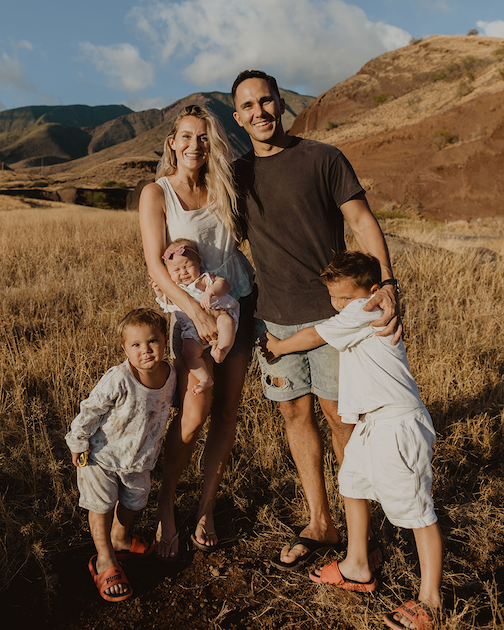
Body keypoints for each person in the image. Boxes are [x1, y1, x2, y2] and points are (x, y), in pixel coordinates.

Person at [232, 69, 401, 570]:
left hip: (335, 320)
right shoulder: (238, 175)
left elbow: (362, 221)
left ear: (281, 104)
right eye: (248, 106)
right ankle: (320, 521)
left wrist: (386, 283)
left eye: (266, 101)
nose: (259, 112)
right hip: (274, 323)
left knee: (340, 420)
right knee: (294, 416)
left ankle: (357, 535)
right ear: (237, 117)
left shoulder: (323, 158)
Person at [265, 251, 443, 630]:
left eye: (346, 297)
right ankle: (357, 565)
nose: (340, 306)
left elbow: (314, 334)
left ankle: (431, 601)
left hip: (397, 424)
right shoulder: (358, 308)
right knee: (351, 484)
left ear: (373, 291)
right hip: (369, 424)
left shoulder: (367, 308)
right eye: (335, 298)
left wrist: (278, 347)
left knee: (418, 513)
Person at [139, 105, 255, 559]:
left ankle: (206, 509)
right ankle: (165, 505)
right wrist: (195, 311)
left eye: (203, 138)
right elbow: (154, 263)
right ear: (172, 141)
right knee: (193, 414)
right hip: (189, 313)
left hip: (235, 302)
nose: (194, 146)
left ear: (213, 145)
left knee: (227, 412)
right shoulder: (157, 192)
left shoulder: (224, 185)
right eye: (186, 137)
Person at [65, 308, 176, 602]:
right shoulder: (120, 378)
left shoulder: (171, 375)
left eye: (152, 341)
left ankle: (121, 538)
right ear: (125, 349)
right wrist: (77, 442)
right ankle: (104, 558)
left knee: (135, 500)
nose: (146, 350)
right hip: (102, 456)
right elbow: (92, 408)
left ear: (166, 340)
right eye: (136, 345)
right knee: (101, 505)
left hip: (139, 460)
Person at [153, 237, 240, 395]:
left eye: (187, 266)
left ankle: (222, 350)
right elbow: (164, 300)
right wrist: (158, 289)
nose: (183, 272)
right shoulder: (175, 289)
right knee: (188, 353)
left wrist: (210, 291)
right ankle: (205, 378)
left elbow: (223, 283)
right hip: (193, 330)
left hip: (217, 315)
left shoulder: (204, 279)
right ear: (168, 273)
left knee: (226, 321)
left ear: (199, 262)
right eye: (176, 270)